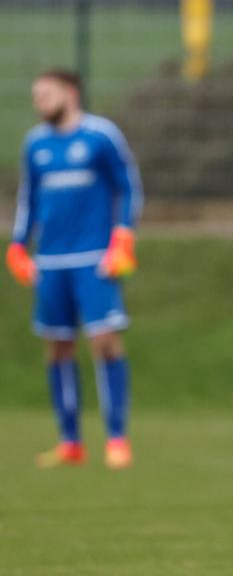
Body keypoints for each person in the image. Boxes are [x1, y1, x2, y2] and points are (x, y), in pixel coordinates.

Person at [7, 68, 141, 470]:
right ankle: (71, 442)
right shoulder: (35, 144)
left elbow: (129, 186)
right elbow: (27, 199)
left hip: (95, 259)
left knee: (104, 341)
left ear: (69, 93)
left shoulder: (101, 136)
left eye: (46, 94)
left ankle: (117, 437)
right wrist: (17, 246)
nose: (39, 102)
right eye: (36, 96)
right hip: (50, 262)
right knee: (58, 347)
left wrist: (124, 238)